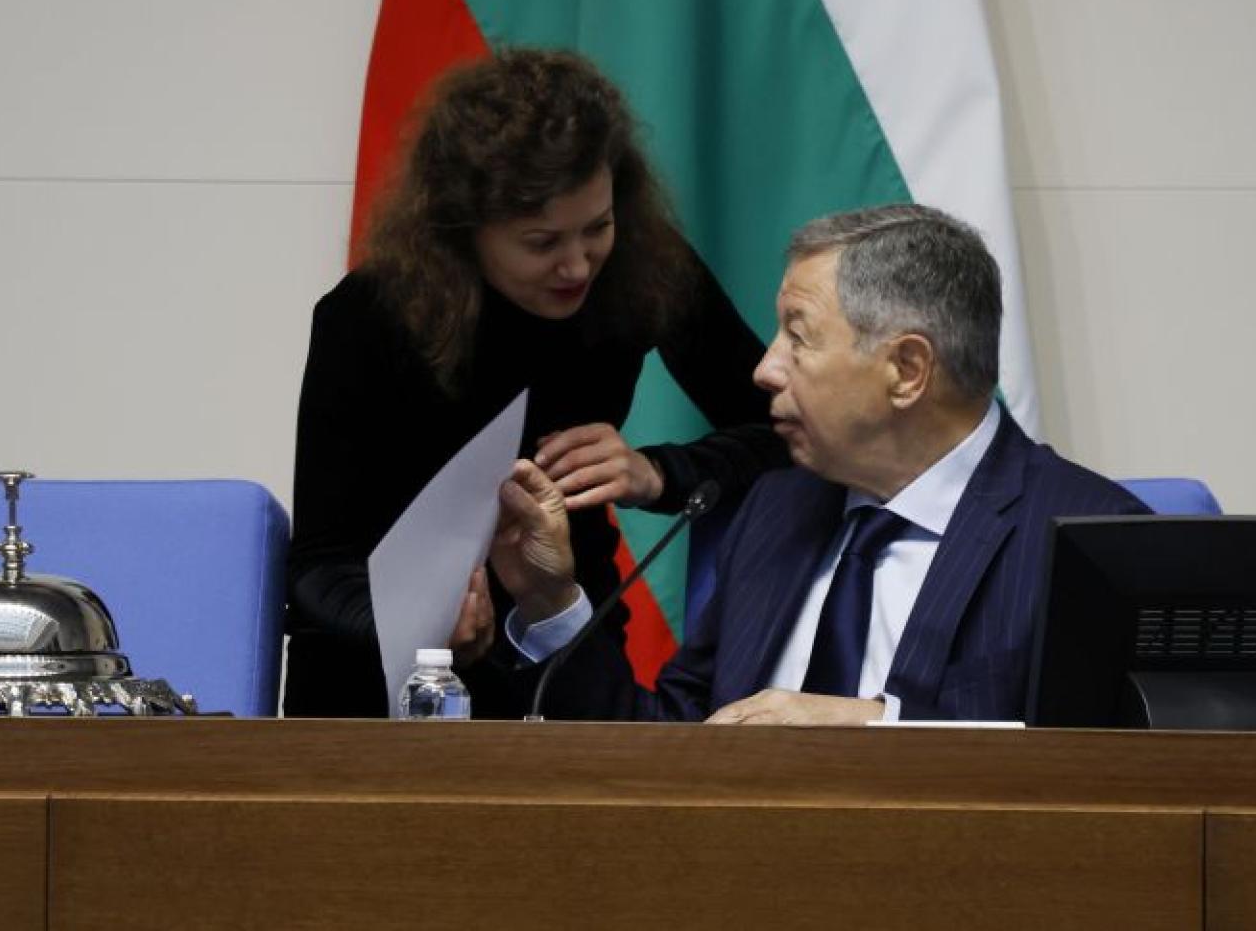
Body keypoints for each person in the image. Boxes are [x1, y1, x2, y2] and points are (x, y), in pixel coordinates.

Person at [484, 203, 1149, 723]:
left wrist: (876, 731)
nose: (764, 369)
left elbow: (1111, 771)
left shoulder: (1091, 541)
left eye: (797, 338)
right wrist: (550, 600)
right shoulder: (775, 511)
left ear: (907, 370)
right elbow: (672, 746)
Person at [284, 48, 788, 718]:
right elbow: (318, 563)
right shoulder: (365, 318)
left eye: (597, 228)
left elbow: (790, 436)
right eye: (542, 242)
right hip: (375, 678)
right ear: (465, 228)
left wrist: (659, 474)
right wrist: (417, 626)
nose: (578, 265)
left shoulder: (644, 264)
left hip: (562, 645)